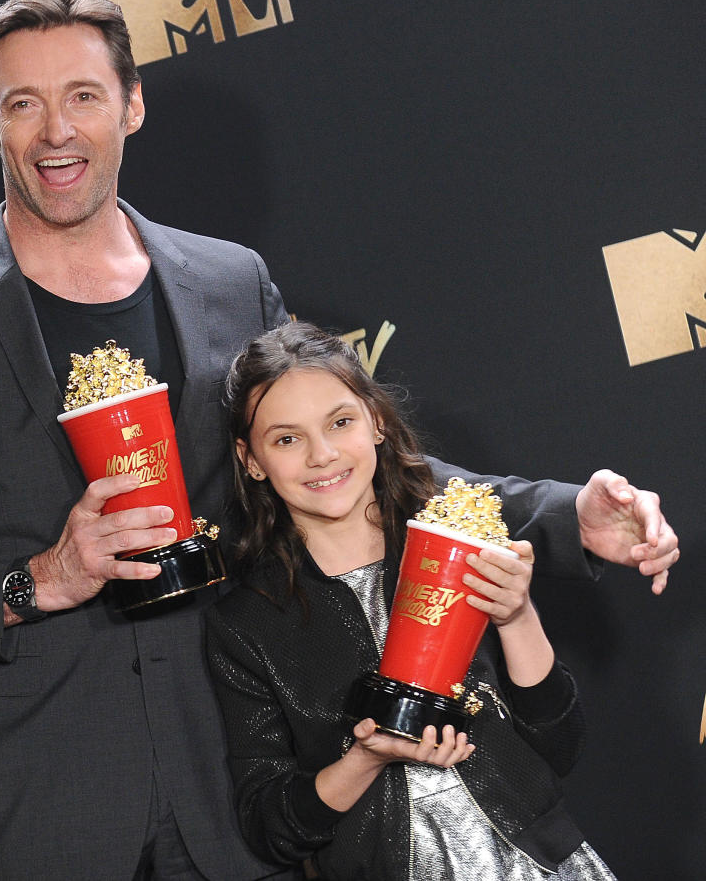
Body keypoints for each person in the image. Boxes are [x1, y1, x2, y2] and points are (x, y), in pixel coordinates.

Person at [0, 0, 676, 881]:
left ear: (132, 106)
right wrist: (38, 582)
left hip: (234, 793)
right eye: (24, 103)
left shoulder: (228, 282)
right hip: (44, 808)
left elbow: (351, 466)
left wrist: (570, 516)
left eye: (84, 97)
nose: (57, 131)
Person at [205, 321, 623, 880]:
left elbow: (561, 746)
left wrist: (518, 616)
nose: (321, 455)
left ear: (375, 421)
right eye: (286, 438)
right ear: (251, 458)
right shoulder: (247, 622)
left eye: (341, 422)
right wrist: (368, 756)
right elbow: (272, 826)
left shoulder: (458, 545)